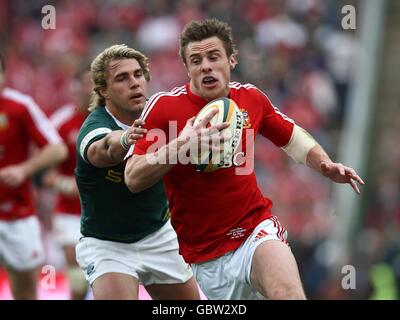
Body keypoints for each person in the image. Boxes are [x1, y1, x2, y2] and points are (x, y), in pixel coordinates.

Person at [124, 19, 365, 300]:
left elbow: (292, 138)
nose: (206, 66)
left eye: (214, 57)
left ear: (232, 60)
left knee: (287, 294)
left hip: (254, 231)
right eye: (196, 60)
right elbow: (132, 177)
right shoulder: (164, 109)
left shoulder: (251, 98)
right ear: (187, 68)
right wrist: (182, 144)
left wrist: (325, 164)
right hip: (203, 258)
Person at [74, 44, 200, 300]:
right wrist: (124, 140)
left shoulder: (162, 116)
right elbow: (104, 149)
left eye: (138, 74)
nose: (134, 83)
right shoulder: (95, 127)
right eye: (122, 78)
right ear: (103, 91)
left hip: (159, 236)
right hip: (107, 244)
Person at [0, 53, 68, 299]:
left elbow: (57, 148)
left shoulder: (20, 106)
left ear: (4, 74)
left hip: (17, 215)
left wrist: (23, 170)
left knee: (25, 292)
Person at [41, 69, 92, 300]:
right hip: (69, 212)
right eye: (88, 84)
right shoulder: (61, 122)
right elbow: (43, 172)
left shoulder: (110, 119)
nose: (93, 90)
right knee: (78, 277)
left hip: (104, 212)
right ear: (76, 87)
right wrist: (65, 184)